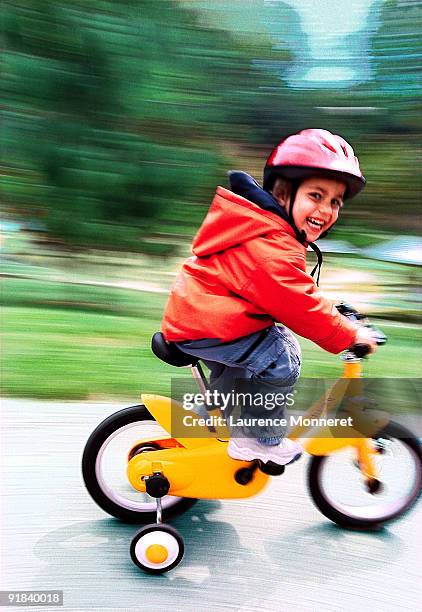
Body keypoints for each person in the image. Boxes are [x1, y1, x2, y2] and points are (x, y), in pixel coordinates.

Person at [161, 129, 379, 466]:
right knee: (280, 356)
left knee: (248, 370)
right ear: (281, 194)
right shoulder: (272, 246)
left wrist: (334, 312)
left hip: (208, 318)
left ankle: (204, 424)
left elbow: (294, 293)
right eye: (316, 195)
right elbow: (299, 305)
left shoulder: (272, 235)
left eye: (335, 201)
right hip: (208, 322)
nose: (326, 208)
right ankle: (259, 439)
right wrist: (349, 334)